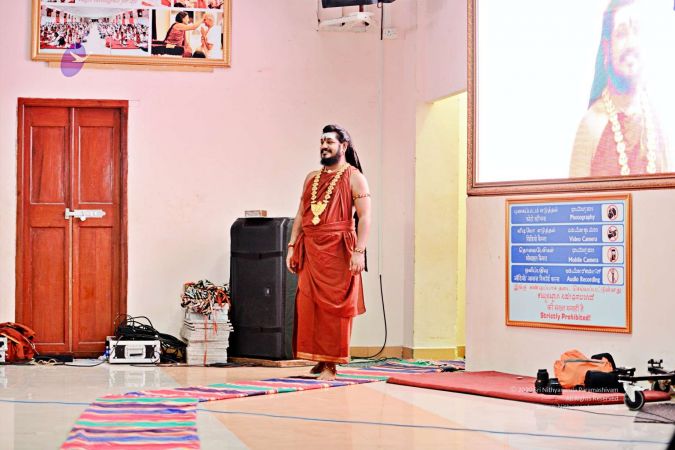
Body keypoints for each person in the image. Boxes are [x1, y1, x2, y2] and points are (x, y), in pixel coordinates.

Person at [286, 124, 371, 381]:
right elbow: (301, 214)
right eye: (322, 142)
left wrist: (359, 251)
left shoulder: (355, 177)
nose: (324, 146)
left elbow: (365, 217)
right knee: (308, 306)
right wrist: (292, 246)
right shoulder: (311, 178)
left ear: (343, 146)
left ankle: (331, 364)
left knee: (335, 309)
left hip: (339, 250)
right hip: (311, 249)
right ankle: (319, 359)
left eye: (329, 142)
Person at [569, 0, 668, 178]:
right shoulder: (591, 126)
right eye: (621, 34)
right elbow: (574, 196)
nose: (631, 44)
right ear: (607, 49)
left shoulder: (661, 122)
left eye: (636, 31)